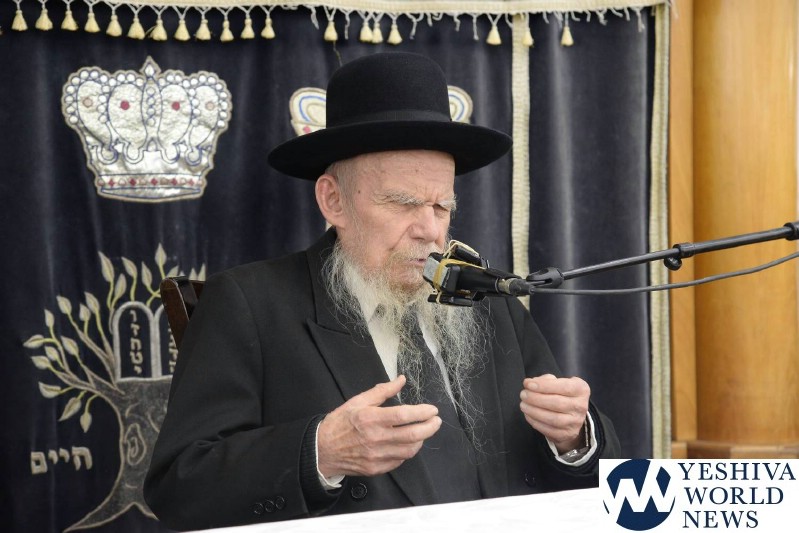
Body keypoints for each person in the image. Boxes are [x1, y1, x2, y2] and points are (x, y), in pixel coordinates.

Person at [144, 52, 620, 531]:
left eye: (442, 206)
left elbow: (600, 481)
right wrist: (320, 453)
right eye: (402, 203)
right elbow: (180, 489)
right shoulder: (250, 304)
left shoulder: (489, 302)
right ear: (334, 201)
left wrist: (574, 438)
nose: (430, 231)